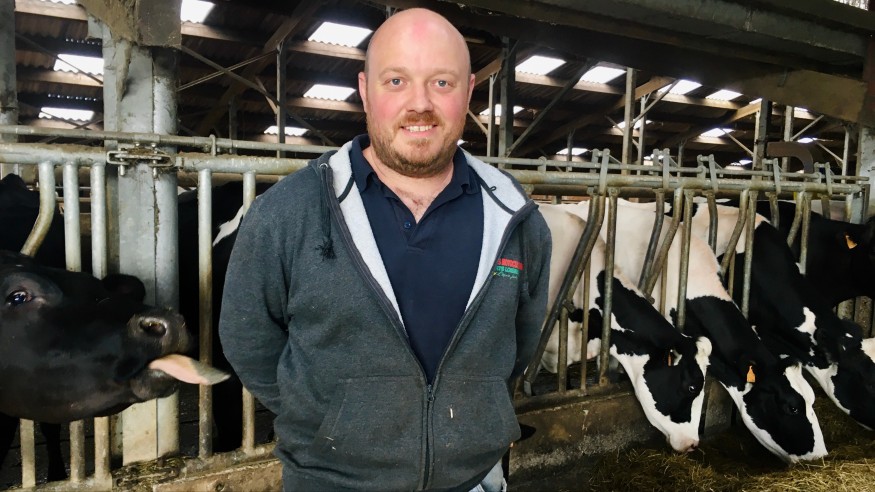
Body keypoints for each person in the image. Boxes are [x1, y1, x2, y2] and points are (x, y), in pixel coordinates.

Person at [219, 7, 551, 491]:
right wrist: (330, 418)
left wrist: (477, 416)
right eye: (396, 81)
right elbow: (247, 338)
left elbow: (519, 342)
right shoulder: (289, 211)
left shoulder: (516, 218)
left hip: (473, 481)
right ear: (365, 89)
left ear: (469, 92)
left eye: (442, 82)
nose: (420, 104)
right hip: (332, 483)